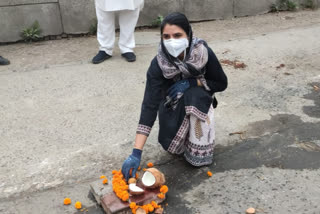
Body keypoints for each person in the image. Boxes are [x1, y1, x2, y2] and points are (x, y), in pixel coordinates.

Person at [121, 12, 228, 180]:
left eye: (177, 35)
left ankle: (198, 146)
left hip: (199, 102)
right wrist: (136, 152)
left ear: (189, 34)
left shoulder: (202, 53)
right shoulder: (158, 64)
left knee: (195, 94)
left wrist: (194, 82)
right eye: (166, 36)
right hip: (172, 105)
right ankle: (180, 141)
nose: (172, 41)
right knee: (173, 148)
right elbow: (149, 105)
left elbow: (221, 83)